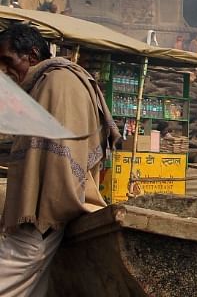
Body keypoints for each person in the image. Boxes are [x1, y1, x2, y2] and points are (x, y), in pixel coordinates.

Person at [0, 23, 120, 296]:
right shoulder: (43, 84)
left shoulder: (59, 82)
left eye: (8, 61)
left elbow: (60, 157)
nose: (4, 71)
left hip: (40, 223)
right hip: (38, 221)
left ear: (31, 55)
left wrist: (44, 218)